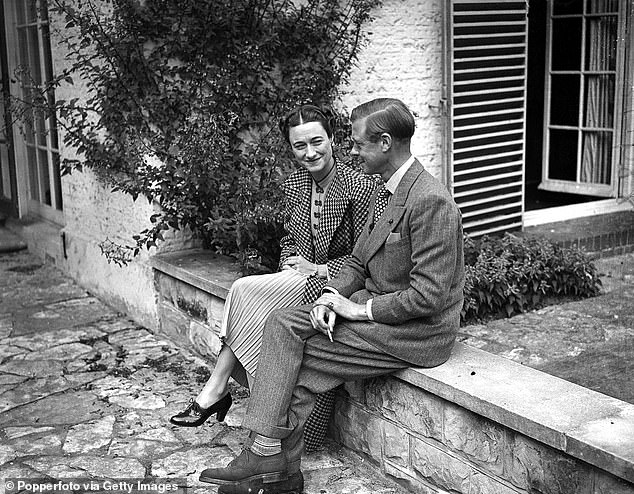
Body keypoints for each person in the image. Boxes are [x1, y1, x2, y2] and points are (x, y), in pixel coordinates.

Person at [198, 98, 465, 494]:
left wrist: (356, 309)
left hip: (417, 333)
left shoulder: (431, 202)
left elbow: (428, 298)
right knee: (282, 323)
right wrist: (328, 297)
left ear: (386, 143)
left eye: (358, 144)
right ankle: (279, 471)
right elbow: (357, 261)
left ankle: (267, 455)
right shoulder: (390, 190)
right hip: (377, 313)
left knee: (298, 359)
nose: (352, 151)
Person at [169, 104, 377, 452]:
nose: (310, 153)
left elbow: (368, 256)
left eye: (317, 141)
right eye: (299, 146)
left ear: (332, 139)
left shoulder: (359, 186)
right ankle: (234, 400)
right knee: (250, 295)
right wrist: (288, 267)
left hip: (336, 287)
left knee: (244, 291)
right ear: (290, 148)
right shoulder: (295, 183)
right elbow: (290, 240)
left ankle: (220, 393)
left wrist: (321, 270)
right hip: (298, 279)